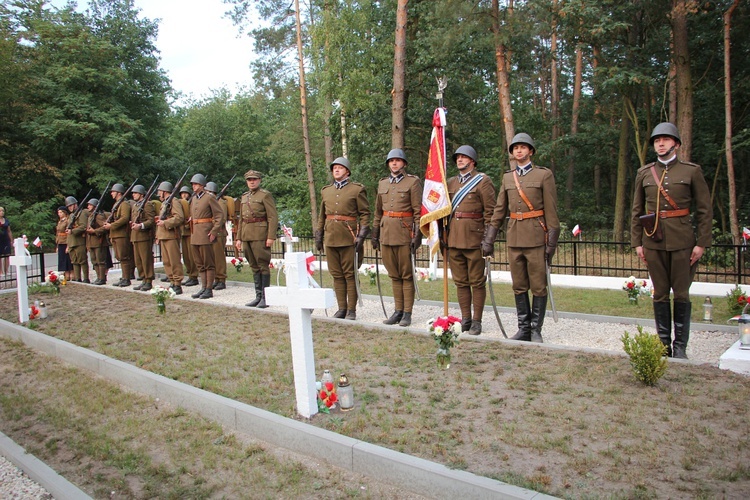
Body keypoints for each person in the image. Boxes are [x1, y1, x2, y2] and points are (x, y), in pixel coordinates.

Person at [631, 122, 712, 359]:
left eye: (665, 140)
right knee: (659, 294)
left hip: (683, 241)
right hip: (653, 241)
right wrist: (637, 242)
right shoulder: (644, 173)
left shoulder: (691, 171)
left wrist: (701, 243)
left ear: (675, 143)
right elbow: (636, 210)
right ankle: (663, 345)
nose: (661, 143)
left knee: (682, 294)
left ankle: (680, 347)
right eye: (657, 141)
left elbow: (705, 209)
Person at [483, 133, 560, 343]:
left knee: (538, 286)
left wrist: (551, 241)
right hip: (515, 237)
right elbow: (499, 209)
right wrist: (489, 238)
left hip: (536, 237)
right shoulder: (508, 177)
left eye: (523, 147)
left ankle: (536, 330)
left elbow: (551, 211)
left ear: (531, 151)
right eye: (515, 148)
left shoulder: (544, 175)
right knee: (518, 285)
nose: (519, 151)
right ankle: (524, 328)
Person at [446, 145, 496, 335]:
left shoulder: (483, 181)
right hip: (453, 238)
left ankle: (477, 320)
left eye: (464, 157)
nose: (460, 160)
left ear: (472, 161)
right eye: (458, 157)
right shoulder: (450, 183)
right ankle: (465, 318)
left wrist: (487, 239)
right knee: (460, 282)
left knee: (476, 281)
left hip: (474, 238)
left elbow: (490, 213)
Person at [371, 149, 422, 327]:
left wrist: (417, 235)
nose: (394, 163)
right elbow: (378, 211)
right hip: (386, 233)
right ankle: (397, 311)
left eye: (398, 161)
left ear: (404, 164)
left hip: (404, 233)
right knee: (394, 275)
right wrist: (375, 232)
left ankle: (407, 312)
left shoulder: (413, 182)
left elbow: (417, 211)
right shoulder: (382, 183)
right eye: (391, 161)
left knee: (406, 275)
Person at [315, 157, 371, 320]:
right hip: (331, 237)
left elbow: (365, 214)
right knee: (336, 275)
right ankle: (341, 308)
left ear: (347, 171)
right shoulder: (326, 190)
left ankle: (352, 310)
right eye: (334, 168)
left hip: (349, 237)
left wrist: (362, 235)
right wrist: (319, 235)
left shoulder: (357, 190)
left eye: (340, 167)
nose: (337, 170)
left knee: (349, 274)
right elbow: (322, 216)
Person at [234, 170, 278, 308]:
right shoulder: (244, 197)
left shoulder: (265, 195)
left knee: (262, 265)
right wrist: (239, 238)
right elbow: (241, 219)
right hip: (247, 234)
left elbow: (272, 217)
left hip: (260, 234)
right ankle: (258, 296)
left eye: (254, 179)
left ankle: (266, 298)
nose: (252, 182)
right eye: (249, 180)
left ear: (259, 180)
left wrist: (271, 236)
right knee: (253, 266)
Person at [189, 173, 225, 299]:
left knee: (208, 262)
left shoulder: (209, 197)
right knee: (199, 263)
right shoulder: (194, 199)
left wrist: (214, 231)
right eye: (193, 184)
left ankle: (209, 289)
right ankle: (203, 287)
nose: (194, 186)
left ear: (202, 185)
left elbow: (219, 215)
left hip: (205, 233)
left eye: (196, 184)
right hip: (195, 234)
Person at [155, 181, 185, 294]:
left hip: (171, 235)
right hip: (163, 235)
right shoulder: (165, 203)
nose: (159, 193)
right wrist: (158, 235)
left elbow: (179, 218)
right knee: (167, 261)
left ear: (164, 191)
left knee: (174, 260)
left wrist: (165, 223)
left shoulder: (174, 201)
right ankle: (172, 280)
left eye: (160, 191)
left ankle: (177, 283)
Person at [103, 183, 134, 287]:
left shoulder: (124, 204)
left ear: (118, 192)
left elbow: (124, 218)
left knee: (124, 256)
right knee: (119, 257)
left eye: (113, 191)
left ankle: (126, 278)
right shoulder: (117, 204)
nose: (111, 193)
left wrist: (111, 225)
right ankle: (124, 277)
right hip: (116, 234)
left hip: (121, 234)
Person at [128, 185, 156, 291]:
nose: (134, 194)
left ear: (141, 194)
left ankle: (148, 281)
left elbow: (151, 220)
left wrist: (141, 225)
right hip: (135, 236)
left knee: (146, 259)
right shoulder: (135, 205)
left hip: (144, 236)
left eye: (135, 193)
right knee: (138, 260)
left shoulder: (147, 205)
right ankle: (143, 279)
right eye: (133, 193)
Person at [204, 181, 231, 291]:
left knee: (219, 257)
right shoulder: (211, 201)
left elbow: (222, 218)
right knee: (213, 257)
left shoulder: (220, 202)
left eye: (207, 191)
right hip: (211, 232)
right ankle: (216, 278)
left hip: (219, 233)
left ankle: (221, 279)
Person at [84, 199, 110, 285]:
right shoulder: (91, 216)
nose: (88, 207)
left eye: (90, 205)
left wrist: (94, 231)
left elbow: (104, 227)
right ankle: (98, 277)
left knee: (100, 261)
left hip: (99, 241)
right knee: (94, 261)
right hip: (92, 242)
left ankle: (102, 278)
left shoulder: (98, 216)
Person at [65, 196, 90, 283]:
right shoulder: (71, 215)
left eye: (71, 205)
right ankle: (77, 278)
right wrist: (68, 244)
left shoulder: (82, 213)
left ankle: (86, 278)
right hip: (71, 241)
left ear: (75, 205)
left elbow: (83, 226)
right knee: (74, 261)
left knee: (82, 260)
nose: (70, 208)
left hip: (79, 241)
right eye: (68, 206)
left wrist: (73, 231)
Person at [178, 185, 199, 287]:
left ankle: (194, 276)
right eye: (182, 193)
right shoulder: (181, 204)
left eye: (185, 193)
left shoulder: (192, 203)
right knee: (186, 257)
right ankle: (190, 274)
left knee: (191, 256)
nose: (183, 195)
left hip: (190, 232)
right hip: (183, 232)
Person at [55, 206, 73, 281]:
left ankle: (71, 274)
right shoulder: (59, 221)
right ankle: (66, 273)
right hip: (60, 242)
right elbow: (57, 233)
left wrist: (68, 245)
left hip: (66, 241)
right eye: (58, 212)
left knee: (68, 259)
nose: (59, 214)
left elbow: (69, 234)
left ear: (65, 213)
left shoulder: (67, 221)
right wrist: (57, 245)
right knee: (62, 259)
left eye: (61, 212)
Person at [0, 206, 12, 276]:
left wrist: (11, 240)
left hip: (6, 239)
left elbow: (9, 231)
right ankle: (0, 272)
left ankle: (6, 270)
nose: (2, 212)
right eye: (0, 211)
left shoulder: (6, 220)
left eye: (3, 211)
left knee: (7, 255)